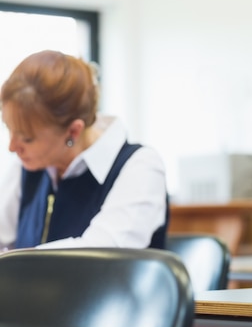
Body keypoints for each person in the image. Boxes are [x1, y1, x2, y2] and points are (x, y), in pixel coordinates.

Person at [0, 50, 168, 251]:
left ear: (73, 131)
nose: (12, 147)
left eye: (27, 138)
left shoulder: (140, 167)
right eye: (9, 129)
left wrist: (15, 262)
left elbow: (99, 254)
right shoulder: (28, 166)